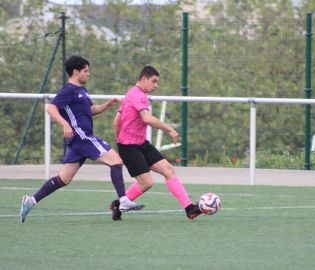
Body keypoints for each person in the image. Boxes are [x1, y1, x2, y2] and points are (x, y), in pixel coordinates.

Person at [20, 55, 144, 223]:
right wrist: (65, 124)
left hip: (78, 141)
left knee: (64, 179)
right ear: (75, 72)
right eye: (85, 71)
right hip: (82, 137)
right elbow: (50, 107)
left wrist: (107, 105)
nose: (88, 74)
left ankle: (31, 201)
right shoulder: (68, 90)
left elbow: (90, 110)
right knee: (116, 161)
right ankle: (123, 200)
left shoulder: (82, 91)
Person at [110, 65, 202, 221]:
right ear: (144, 79)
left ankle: (189, 208)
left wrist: (120, 139)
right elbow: (147, 119)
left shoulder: (130, 94)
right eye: (154, 81)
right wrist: (168, 129)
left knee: (168, 170)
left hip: (141, 144)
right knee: (146, 183)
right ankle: (118, 204)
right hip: (130, 147)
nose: (156, 86)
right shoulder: (138, 95)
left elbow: (115, 123)